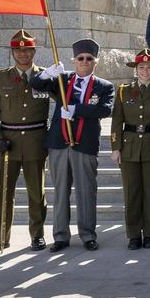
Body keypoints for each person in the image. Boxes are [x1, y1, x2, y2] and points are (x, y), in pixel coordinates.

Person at [32, 38, 114, 252]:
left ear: (95, 61)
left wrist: (77, 110)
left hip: (85, 144)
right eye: (80, 58)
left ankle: (88, 235)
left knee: (86, 191)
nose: (84, 61)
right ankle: (60, 236)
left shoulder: (104, 86)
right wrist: (47, 73)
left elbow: (106, 110)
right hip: (59, 143)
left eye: (89, 58)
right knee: (60, 191)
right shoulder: (63, 80)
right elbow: (34, 84)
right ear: (74, 61)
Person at [0, 29, 49, 253]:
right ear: (13, 52)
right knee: (3, 193)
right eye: (18, 50)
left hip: (35, 142)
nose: (23, 54)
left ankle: (37, 236)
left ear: (34, 51)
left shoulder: (44, 77)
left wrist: (61, 80)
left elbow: (62, 100)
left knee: (37, 194)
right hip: (7, 143)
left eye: (27, 50)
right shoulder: (0, 77)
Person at [110, 48, 150, 250]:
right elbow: (116, 121)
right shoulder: (123, 90)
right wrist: (115, 147)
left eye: (149, 67)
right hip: (128, 148)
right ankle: (134, 235)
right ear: (136, 69)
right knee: (132, 192)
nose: (145, 71)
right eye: (141, 67)